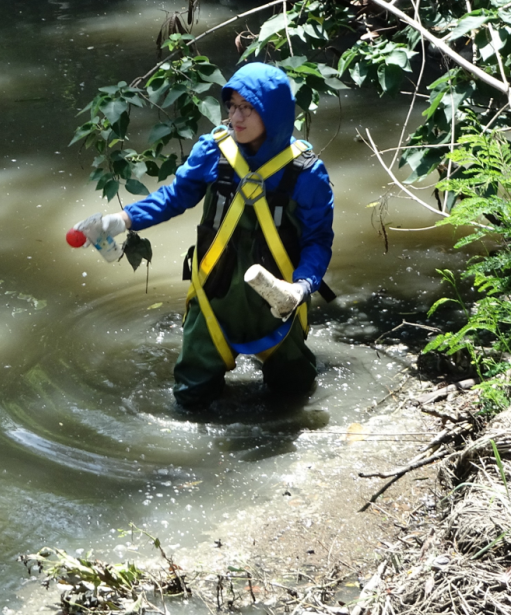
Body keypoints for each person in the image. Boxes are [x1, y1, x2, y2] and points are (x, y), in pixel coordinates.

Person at [75, 63, 334, 409]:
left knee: (294, 393)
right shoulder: (213, 151)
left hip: (278, 302)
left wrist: (300, 288)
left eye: (247, 107)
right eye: (231, 106)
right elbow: (175, 197)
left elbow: (318, 241)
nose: (235, 117)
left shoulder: (307, 173)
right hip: (215, 298)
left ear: (272, 113)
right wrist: (119, 221)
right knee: (191, 397)